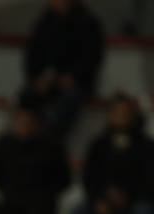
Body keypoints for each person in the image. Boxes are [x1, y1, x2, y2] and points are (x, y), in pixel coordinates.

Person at [21, 0, 105, 137]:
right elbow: (32, 56)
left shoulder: (88, 23)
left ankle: (48, 139)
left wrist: (74, 76)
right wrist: (37, 78)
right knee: (26, 95)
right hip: (48, 80)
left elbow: (92, 58)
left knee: (68, 100)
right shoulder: (44, 23)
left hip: (78, 82)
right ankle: (26, 137)